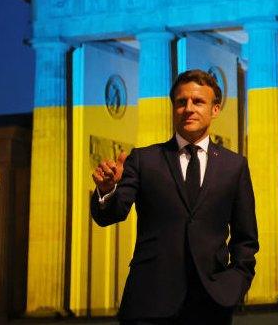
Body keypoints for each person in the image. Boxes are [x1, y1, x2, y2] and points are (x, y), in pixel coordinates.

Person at [91, 69, 259, 325]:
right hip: (149, 302)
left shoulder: (234, 166)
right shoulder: (144, 159)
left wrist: (234, 285)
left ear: (215, 109)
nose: (188, 108)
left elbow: (245, 238)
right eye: (181, 102)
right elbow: (111, 214)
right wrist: (106, 191)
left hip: (211, 304)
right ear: (173, 108)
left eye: (198, 101)